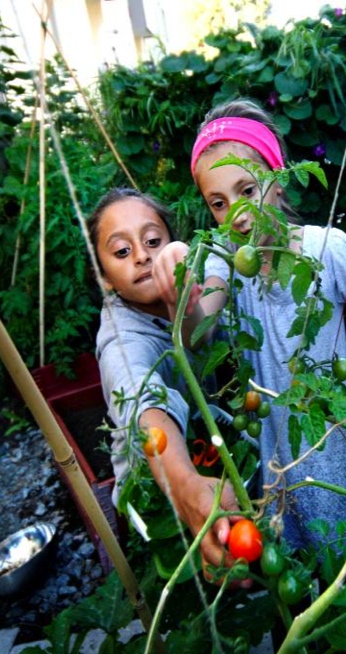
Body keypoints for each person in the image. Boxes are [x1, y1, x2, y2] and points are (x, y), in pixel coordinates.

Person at [156, 97, 346, 553]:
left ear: (279, 179)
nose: (238, 215)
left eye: (247, 190)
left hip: (332, 440)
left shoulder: (327, 250)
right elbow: (199, 332)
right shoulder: (225, 265)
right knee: (293, 563)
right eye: (219, 204)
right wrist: (182, 296)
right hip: (275, 458)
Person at [87, 187, 242, 580]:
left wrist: (187, 300)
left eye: (153, 241)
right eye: (122, 251)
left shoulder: (192, 283)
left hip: (205, 453)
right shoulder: (120, 341)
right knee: (179, 582)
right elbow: (144, 403)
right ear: (104, 278)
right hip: (155, 492)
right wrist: (185, 484)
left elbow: (204, 325)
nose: (141, 255)